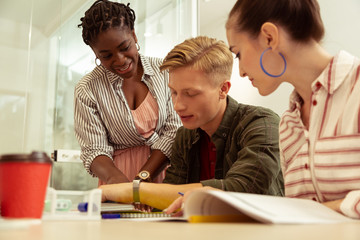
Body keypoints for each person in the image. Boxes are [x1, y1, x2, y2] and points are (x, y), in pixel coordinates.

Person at [99, 36, 284, 211]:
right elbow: (170, 194)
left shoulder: (263, 124)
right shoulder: (185, 136)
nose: (178, 105)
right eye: (174, 92)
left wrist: (131, 190)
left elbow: (240, 190)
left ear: (223, 89)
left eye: (191, 93)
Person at [225, 0, 360, 219]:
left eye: (238, 53)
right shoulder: (288, 125)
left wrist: (324, 210)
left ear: (270, 37)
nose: (239, 71)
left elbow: (303, 214)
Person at [75, 0, 181, 186]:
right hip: (116, 179)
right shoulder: (87, 89)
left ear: (134, 35)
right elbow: (94, 149)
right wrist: (118, 182)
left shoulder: (165, 71)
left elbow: (175, 132)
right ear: (95, 52)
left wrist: (141, 179)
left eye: (124, 48)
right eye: (106, 56)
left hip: (167, 175)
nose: (120, 60)